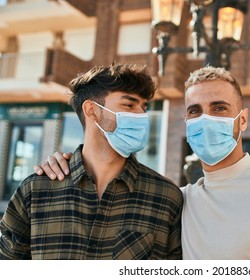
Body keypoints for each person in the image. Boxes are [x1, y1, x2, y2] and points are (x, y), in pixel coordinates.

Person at [33, 66, 250, 260]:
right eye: (195, 111)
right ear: (187, 122)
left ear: (242, 120)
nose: (206, 118)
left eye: (219, 108)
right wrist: (68, 164)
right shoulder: (180, 200)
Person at [0, 63, 183, 260]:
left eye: (143, 107)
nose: (141, 115)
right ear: (92, 110)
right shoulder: (35, 191)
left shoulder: (166, 197)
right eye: (129, 105)